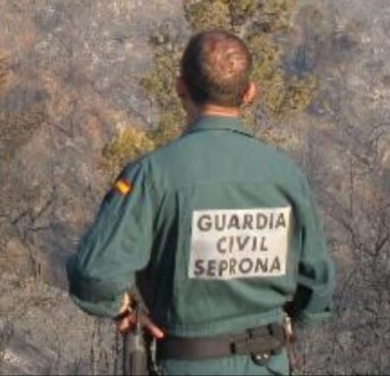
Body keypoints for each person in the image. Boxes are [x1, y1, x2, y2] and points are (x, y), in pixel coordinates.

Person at [67, 30, 335, 375]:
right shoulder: (287, 176)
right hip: (269, 365)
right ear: (250, 92)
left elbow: (95, 274)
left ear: (180, 88)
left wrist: (124, 310)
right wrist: (281, 328)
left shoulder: (153, 175)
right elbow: (318, 286)